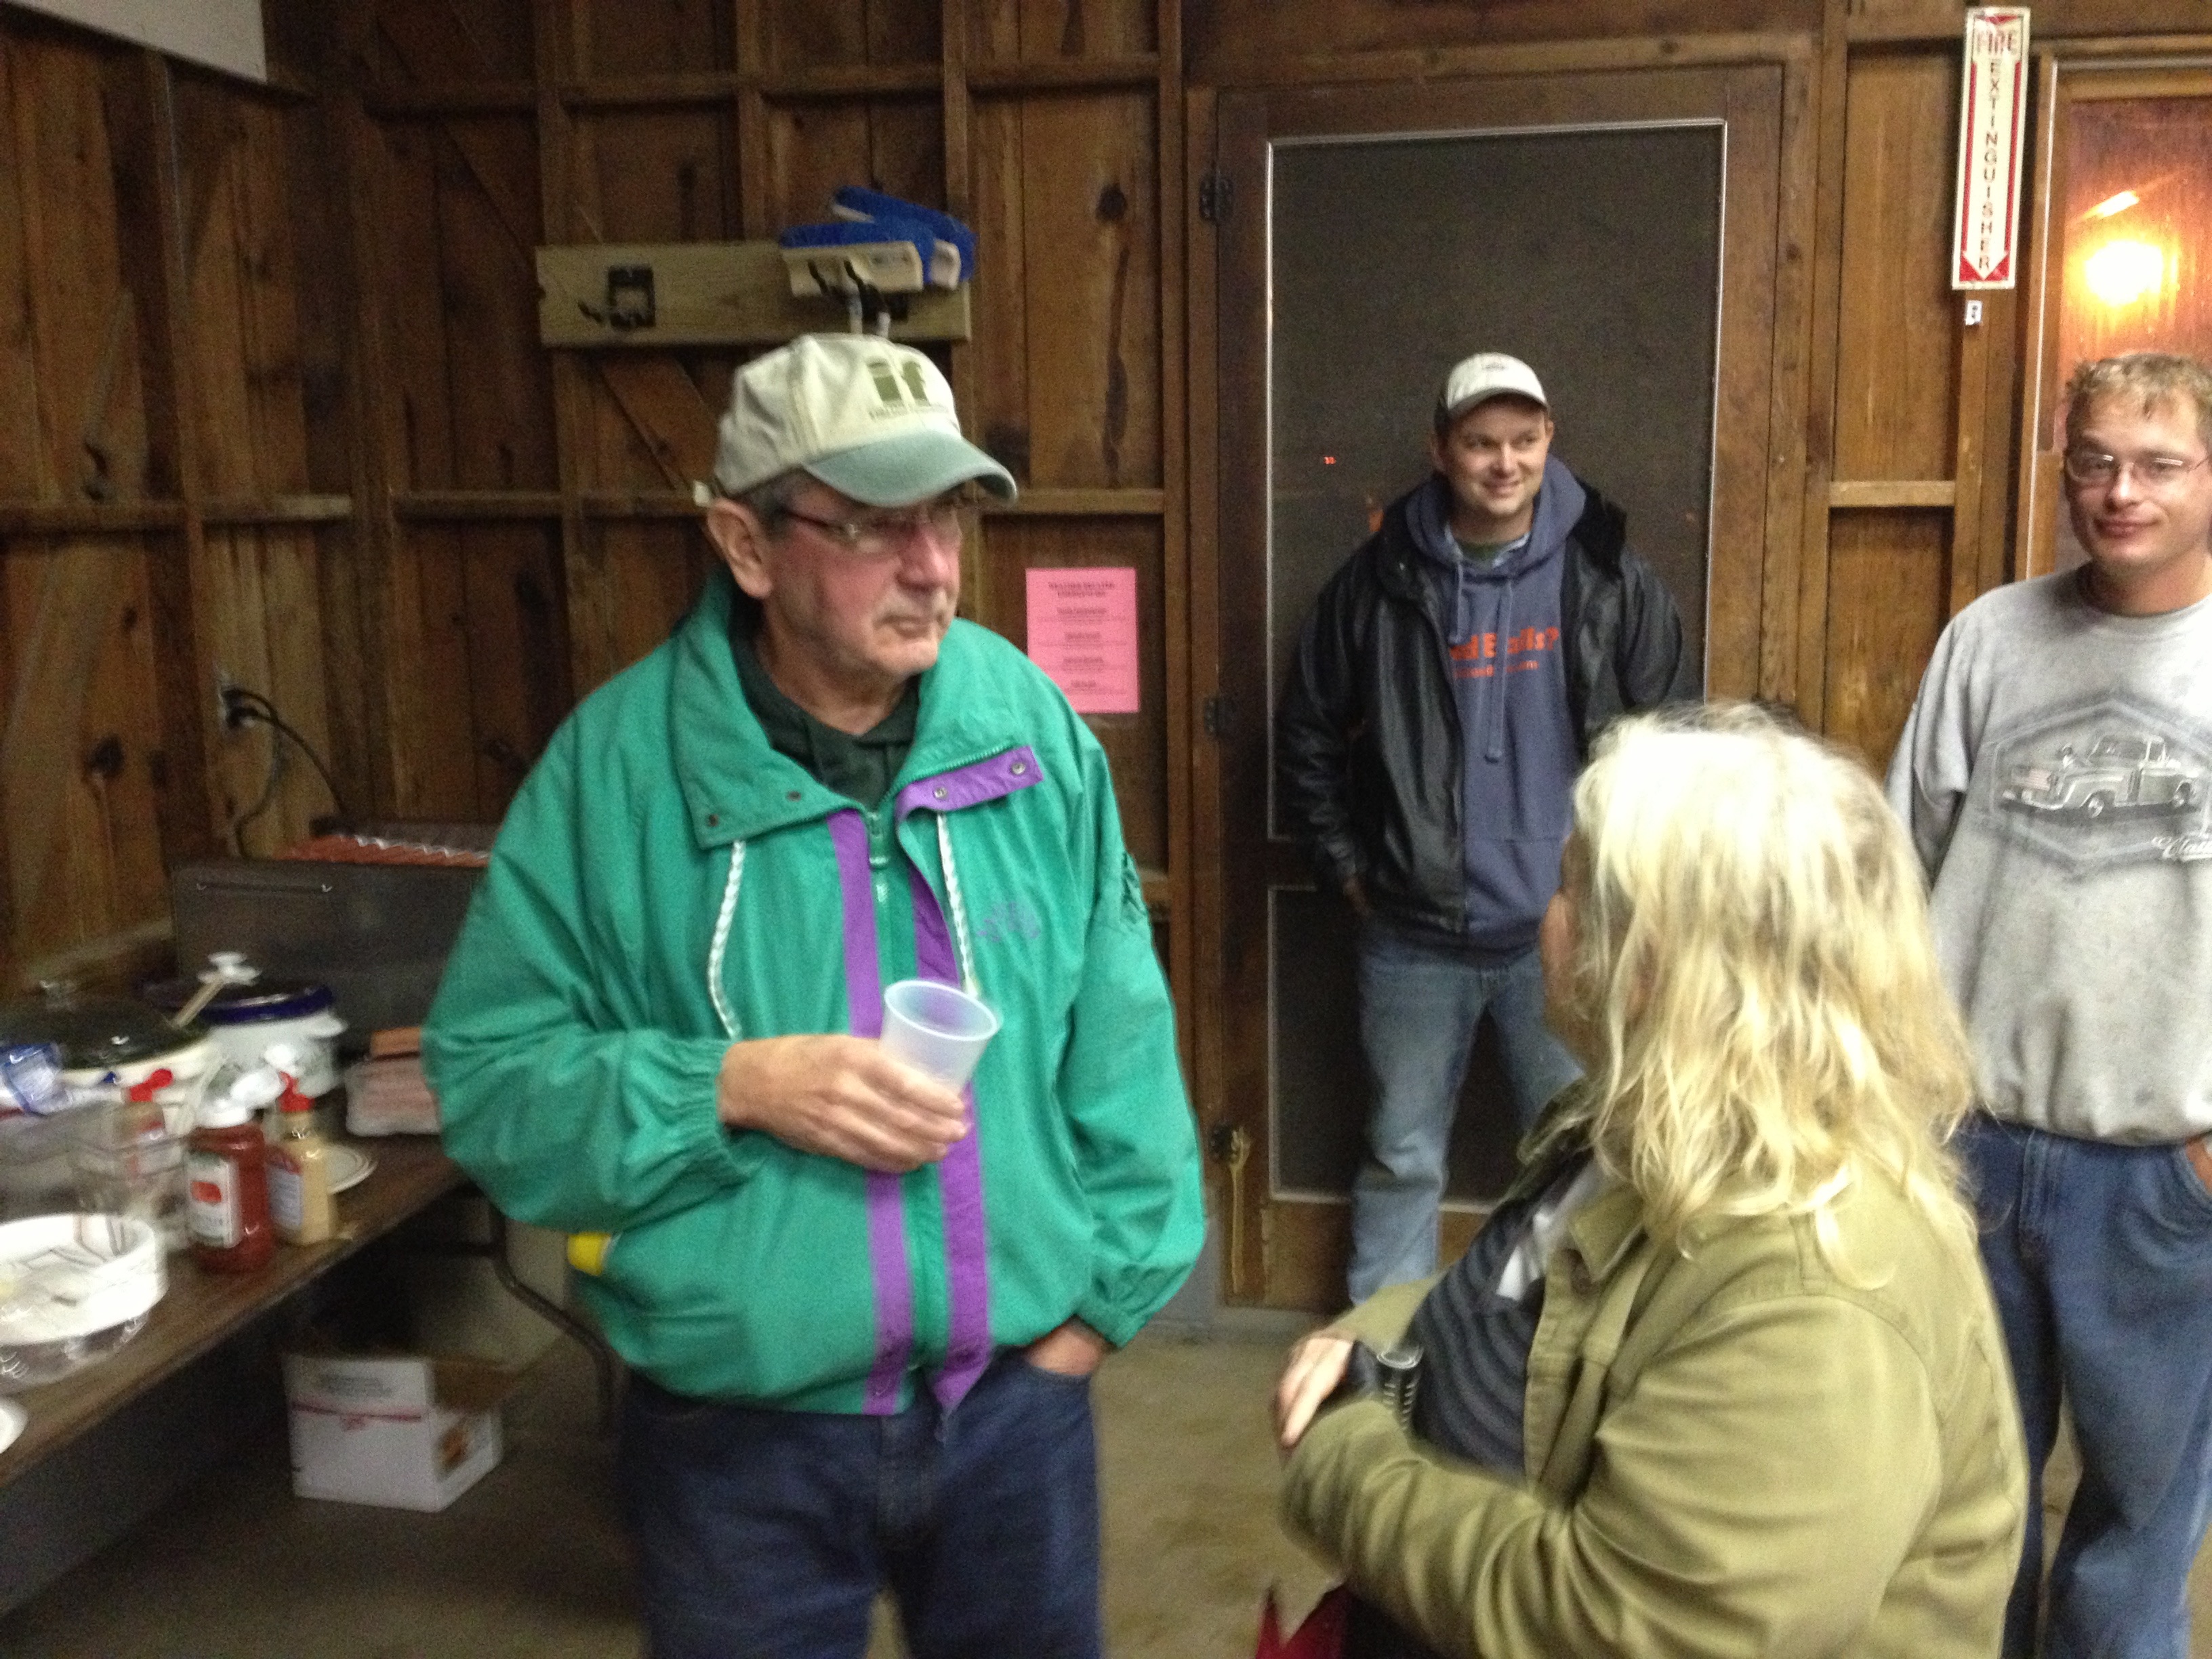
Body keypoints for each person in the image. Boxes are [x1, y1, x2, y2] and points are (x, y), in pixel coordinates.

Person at [424, 332, 1204, 1659]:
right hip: (736, 1443)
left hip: (1013, 1416)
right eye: (874, 527)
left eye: (948, 517)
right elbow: (492, 1083)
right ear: (746, 544)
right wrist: (730, 1086)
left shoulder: (1027, 734)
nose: (934, 567)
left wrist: (1095, 1317)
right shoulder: (617, 776)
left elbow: (1121, 1033)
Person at [1274, 703, 2026, 1659]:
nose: (1543, 921)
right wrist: (1374, 1335)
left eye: (1568, 891)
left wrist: (1344, 1457)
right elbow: (1511, 1297)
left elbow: (1616, 1625)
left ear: (1653, 967)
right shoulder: (1637, 1129)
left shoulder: (1817, 1303)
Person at [1886, 349, 2212, 1659]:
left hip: (2162, 1175)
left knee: (2137, 1528)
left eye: (2160, 465)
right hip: (1968, 1149)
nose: (2122, 492)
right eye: (2095, 463)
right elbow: (1898, 872)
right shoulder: (1989, 637)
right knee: (1961, 1505)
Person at [1275, 351, 1694, 1302]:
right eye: (1480, 443)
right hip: (1413, 935)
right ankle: (1378, 1351)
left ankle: (1565, 1351)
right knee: (1401, 1155)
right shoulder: (1378, 581)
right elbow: (1306, 731)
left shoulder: (1607, 573)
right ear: (1442, 451)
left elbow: (1673, 734)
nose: (1504, 463)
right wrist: (1347, 867)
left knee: (1585, 1158)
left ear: (1549, 441)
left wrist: (1629, 890)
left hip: (1567, 932)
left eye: (1523, 441)